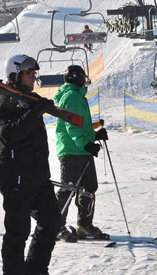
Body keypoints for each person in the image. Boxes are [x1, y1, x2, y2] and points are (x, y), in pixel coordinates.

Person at [0, 54, 60, 275]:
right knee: (18, 231)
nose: (33, 78)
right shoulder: (6, 101)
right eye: (28, 74)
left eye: (34, 74)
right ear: (15, 74)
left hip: (38, 175)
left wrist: (36, 108)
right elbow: (8, 134)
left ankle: (35, 269)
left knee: (51, 222)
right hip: (15, 176)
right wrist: (35, 112)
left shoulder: (29, 100)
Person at [53, 65, 109, 241]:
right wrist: (86, 145)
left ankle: (84, 225)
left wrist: (94, 135)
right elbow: (71, 126)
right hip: (71, 151)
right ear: (77, 78)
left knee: (89, 187)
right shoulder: (72, 96)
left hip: (80, 149)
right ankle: (55, 226)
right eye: (83, 77)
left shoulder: (77, 95)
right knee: (67, 189)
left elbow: (81, 125)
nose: (85, 81)